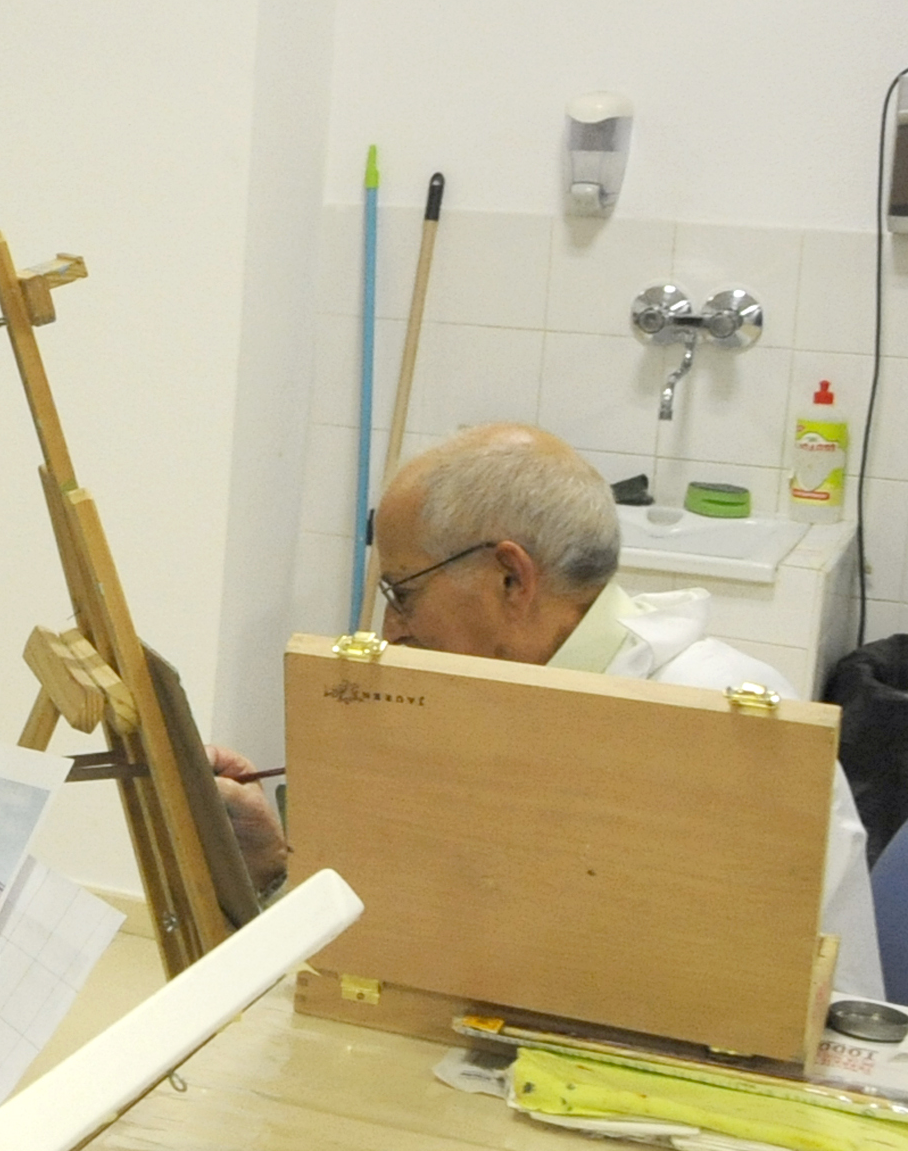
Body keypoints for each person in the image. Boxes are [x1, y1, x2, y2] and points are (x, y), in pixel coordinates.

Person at [214, 424, 883, 997]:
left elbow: (796, 1007)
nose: (390, 631)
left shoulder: (723, 726)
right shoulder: (484, 694)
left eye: (402, 592)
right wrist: (272, 867)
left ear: (512, 578)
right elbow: (409, 934)